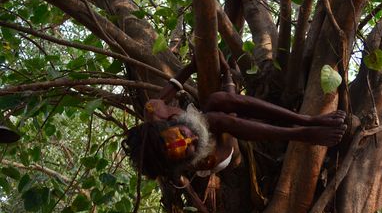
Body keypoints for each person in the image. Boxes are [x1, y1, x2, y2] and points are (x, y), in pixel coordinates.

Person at [122, 88, 347, 180]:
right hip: (220, 156)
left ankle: (306, 119)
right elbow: (210, 144)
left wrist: (191, 67)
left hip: (209, 122)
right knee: (217, 119)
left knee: (218, 99)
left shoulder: (156, 111)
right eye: (187, 147)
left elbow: (170, 88)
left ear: (162, 126)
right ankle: (302, 134)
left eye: (182, 132)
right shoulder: (193, 160)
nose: (192, 138)